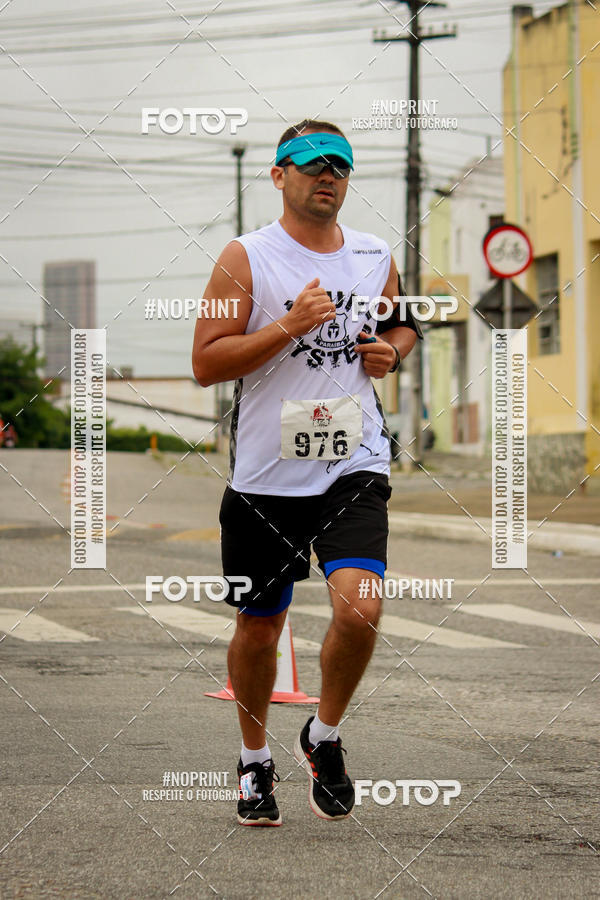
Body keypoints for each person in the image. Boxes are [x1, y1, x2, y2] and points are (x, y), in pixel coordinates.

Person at [192, 119, 421, 827]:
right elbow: (205, 363)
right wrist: (287, 326)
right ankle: (255, 760)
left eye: (341, 167)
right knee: (260, 629)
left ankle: (323, 735)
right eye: (312, 164)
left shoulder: (373, 252)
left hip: (353, 462)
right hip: (265, 476)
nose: (329, 176)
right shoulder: (246, 258)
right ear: (279, 175)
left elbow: (403, 323)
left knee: (362, 604)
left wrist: (392, 351)